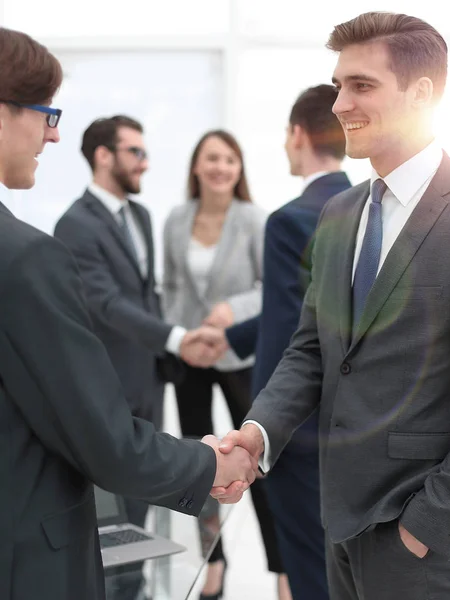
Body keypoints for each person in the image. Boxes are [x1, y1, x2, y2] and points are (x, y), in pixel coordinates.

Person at [0, 26, 255, 600]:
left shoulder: (140, 219)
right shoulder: (33, 251)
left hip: (138, 389)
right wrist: (205, 463)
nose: (52, 133)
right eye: (45, 113)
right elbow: (106, 442)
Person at [214, 11, 450, 600]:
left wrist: (426, 527)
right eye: (339, 84)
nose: (340, 102)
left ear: (423, 92)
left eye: (361, 85)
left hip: (426, 540)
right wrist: (256, 434)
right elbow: (311, 350)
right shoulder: (339, 214)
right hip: (339, 522)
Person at [54, 116, 224, 600]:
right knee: (109, 522)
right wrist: (175, 337)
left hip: (147, 382)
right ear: (104, 155)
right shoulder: (75, 224)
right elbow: (105, 303)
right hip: (107, 387)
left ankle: (134, 592)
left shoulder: (142, 216)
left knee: (143, 511)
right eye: (135, 152)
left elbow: (147, 295)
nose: (145, 163)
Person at [226, 84, 351, 599]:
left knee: (307, 566)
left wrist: (263, 429)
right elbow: (320, 314)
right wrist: (229, 335)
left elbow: (288, 339)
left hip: (295, 436)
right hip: (350, 424)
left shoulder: (289, 219)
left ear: (298, 134)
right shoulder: (364, 210)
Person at [162, 130, 284, 599]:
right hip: (192, 356)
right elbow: (170, 286)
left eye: (230, 160)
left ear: (239, 169)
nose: (220, 167)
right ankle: (213, 563)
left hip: (240, 356)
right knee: (200, 464)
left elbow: (269, 286)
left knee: (256, 462)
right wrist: (185, 338)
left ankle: (282, 570)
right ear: (196, 166)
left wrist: (229, 313)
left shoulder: (254, 219)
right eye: (212, 158)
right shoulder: (176, 219)